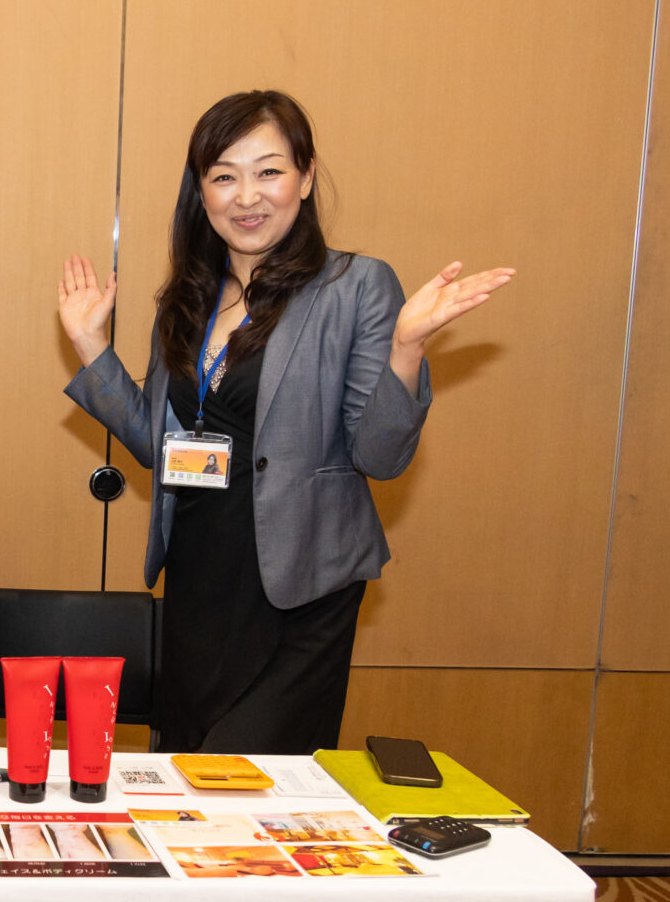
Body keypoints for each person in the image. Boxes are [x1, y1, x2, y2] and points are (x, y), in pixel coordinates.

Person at [58, 90, 512, 754]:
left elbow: (380, 457)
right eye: (224, 177)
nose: (247, 197)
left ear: (305, 176)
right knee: (189, 774)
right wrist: (91, 347)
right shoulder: (185, 299)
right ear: (201, 192)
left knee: (247, 776)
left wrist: (406, 349)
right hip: (198, 579)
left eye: (269, 171)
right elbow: (158, 446)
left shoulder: (355, 287)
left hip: (301, 592)